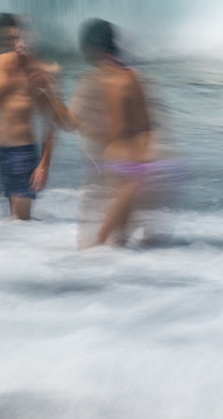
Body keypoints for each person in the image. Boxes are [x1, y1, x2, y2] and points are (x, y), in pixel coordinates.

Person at [66, 18, 165, 248]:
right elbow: (146, 126)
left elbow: (71, 121)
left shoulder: (96, 80)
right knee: (114, 243)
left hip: (114, 167)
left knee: (101, 244)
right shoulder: (129, 78)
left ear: (92, 47)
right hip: (125, 165)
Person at [0, 12, 62, 221]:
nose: (14, 45)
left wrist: (44, 165)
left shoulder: (39, 71)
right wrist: (10, 71)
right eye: (8, 40)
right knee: (9, 223)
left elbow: (51, 121)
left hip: (22, 154)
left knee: (20, 223)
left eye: (16, 38)